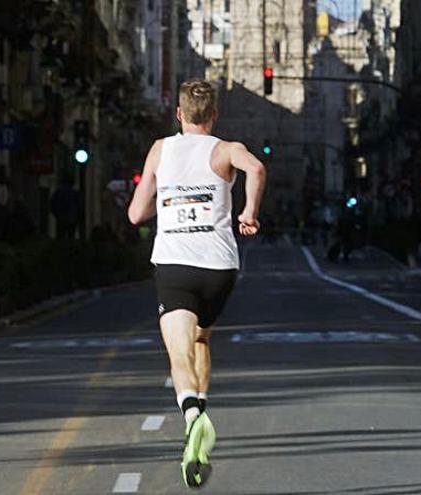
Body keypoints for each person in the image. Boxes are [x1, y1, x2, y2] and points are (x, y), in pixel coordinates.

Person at [127, 79, 266, 489]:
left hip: (175, 264)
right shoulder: (226, 150)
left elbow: (136, 215)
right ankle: (199, 425)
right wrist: (249, 212)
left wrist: (165, 199)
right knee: (202, 338)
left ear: (179, 114)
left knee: (178, 349)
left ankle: (192, 417)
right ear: (215, 115)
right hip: (220, 268)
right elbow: (256, 168)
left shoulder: (160, 149)